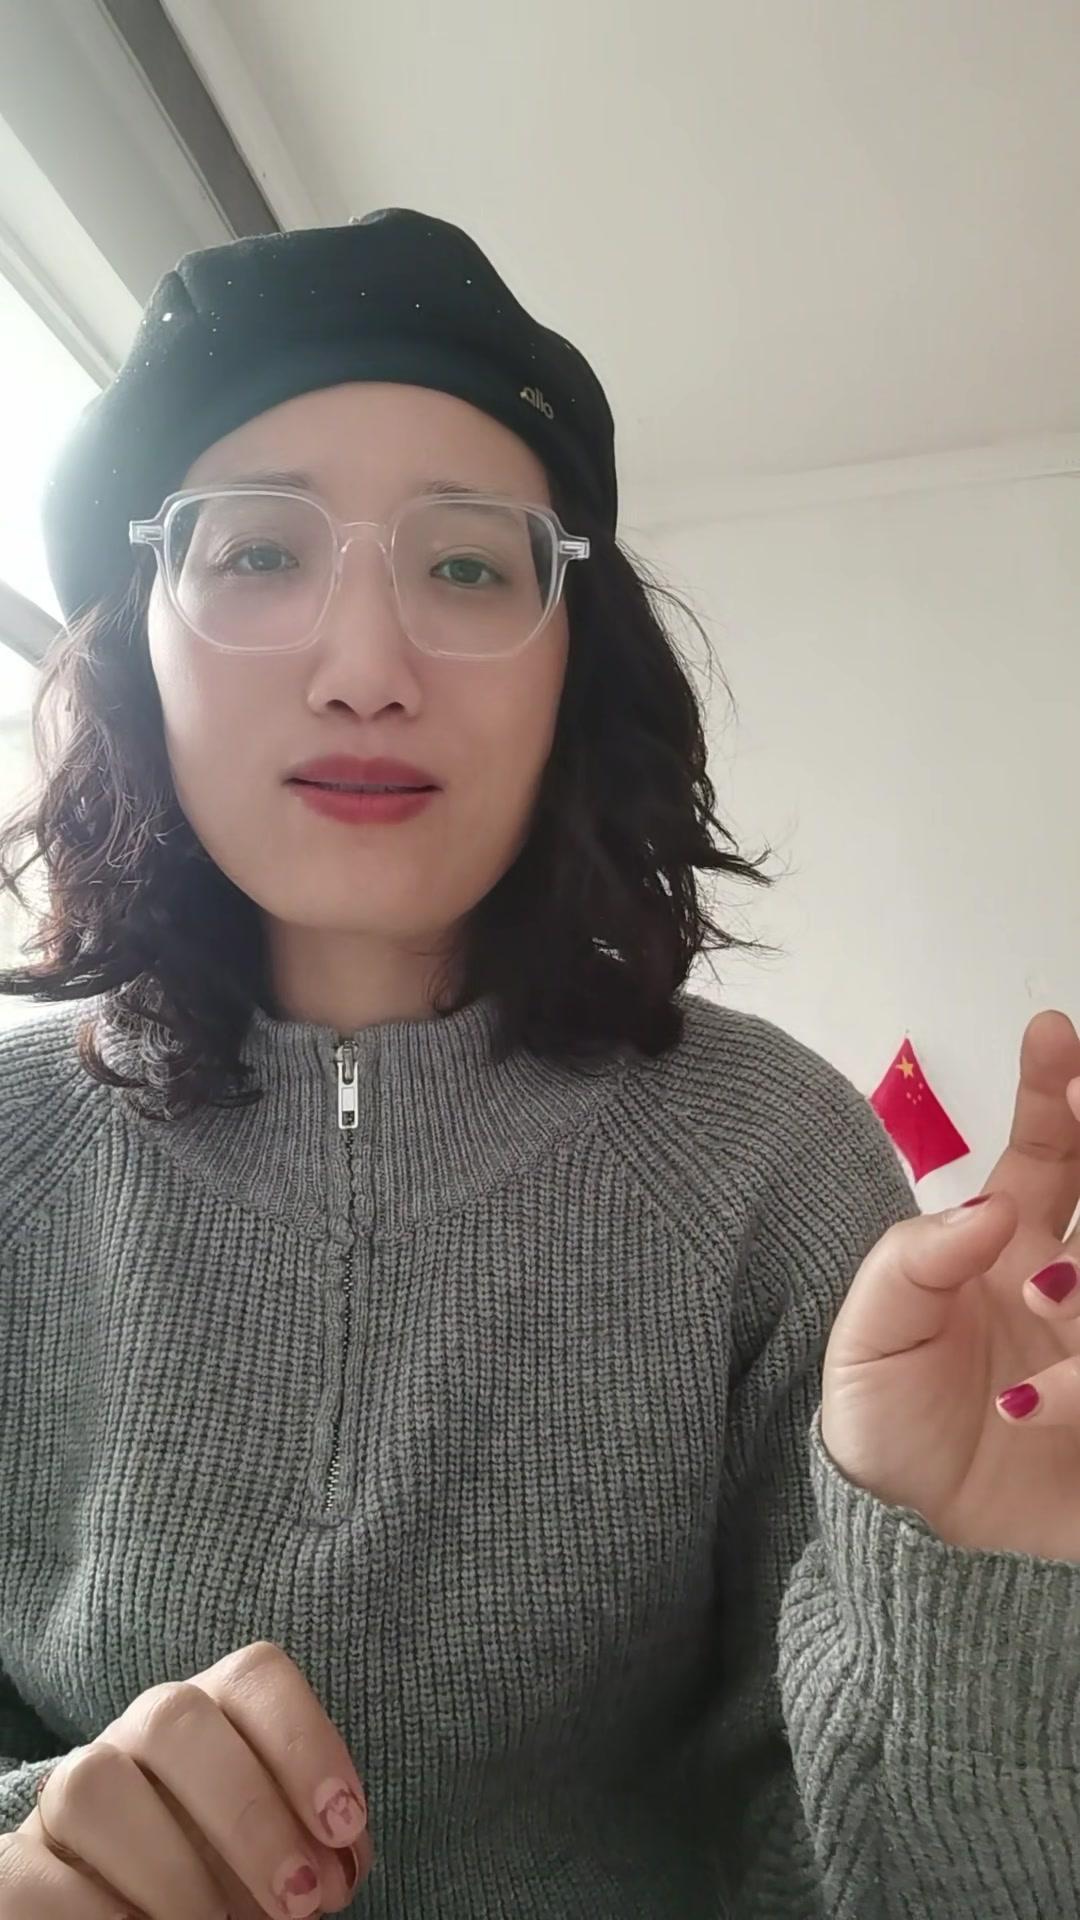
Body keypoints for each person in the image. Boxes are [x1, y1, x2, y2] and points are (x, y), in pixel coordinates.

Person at [0, 210, 1079, 1920]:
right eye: (259, 552)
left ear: (575, 660)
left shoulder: (774, 1160)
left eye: (468, 566)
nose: (368, 671)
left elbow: (866, 1878)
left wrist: (982, 1598)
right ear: (139, 637)